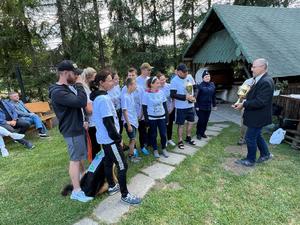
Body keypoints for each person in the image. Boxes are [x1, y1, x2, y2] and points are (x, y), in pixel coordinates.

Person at [90, 69, 141, 205]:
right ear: (101, 83)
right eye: (110, 80)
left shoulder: (98, 97)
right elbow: (108, 122)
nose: (113, 82)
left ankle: (112, 186)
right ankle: (125, 195)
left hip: (104, 138)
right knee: (122, 165)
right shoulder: (103, 99)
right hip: (110, 139)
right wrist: (118, 140)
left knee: (108, 162)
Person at [49, 60, 93, 203]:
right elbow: (80, 102)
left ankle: (82, 176)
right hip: (71, 129)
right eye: (74, 74)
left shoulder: (67, 88)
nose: (76, 76)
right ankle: (76, 191)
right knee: (74, 159)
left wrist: (83, 120)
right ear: (66, 73)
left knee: (78, 156)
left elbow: (76, 107)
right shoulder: (58, 92)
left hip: (77, 126)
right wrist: (80, 84)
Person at [233, 58, 274, 167]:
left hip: (258, 116)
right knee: (258, 135)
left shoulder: (266, 81)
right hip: (256, 115)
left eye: (254, 67)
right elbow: (254, 96)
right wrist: (242, 100)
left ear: (262, 67)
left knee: (250, 137)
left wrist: (244, 104)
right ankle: (266, 154)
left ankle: (250, 160)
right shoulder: (258, 79)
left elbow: (260, 102)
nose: (252, 69)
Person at [122, 68, 150, 156]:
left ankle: (143, 146)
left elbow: (142, 103)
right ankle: (133, 150)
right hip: (130, 117)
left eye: (133, 75)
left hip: (139, 115)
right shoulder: (124, 89)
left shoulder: (140, 89)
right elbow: (124, 107)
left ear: (136, 76)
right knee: (132, 135)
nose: (131, 76)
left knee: (142, 131)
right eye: (129, 75)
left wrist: (141, 115)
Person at [170, 63, 196, 149]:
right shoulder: (174, 80)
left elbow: (195, 88)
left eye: (187, 72)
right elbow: (173, 95)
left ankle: (188, 137)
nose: (186, 74)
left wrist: (194, 96)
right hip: (181, 107)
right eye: (184, 72)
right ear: (179, 72)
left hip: (190, 105)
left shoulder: (189, 77)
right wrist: (185, 97)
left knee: (191, 122)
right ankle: (180, 140)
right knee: (181, 124)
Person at [142, 76, 169, 158]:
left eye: (159, 82)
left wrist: (167, 116)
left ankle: (164, 148)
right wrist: (146, 119)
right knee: (153, 135)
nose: (159, 84)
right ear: (151, 84)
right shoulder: (146, 94)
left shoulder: (161, 92)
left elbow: (164, 105)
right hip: (152, 118)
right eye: (157, 83)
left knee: (163, 134)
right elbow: (144, 107)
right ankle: (155, 149)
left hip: (162, 117)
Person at [81, 67, 101, 159]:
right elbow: (88, 108)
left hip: (94, 120)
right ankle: (95, 167)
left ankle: (99, 165)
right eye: (94, 77)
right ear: (89, 77)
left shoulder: (89, 87)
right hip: (91, 121)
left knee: (97, 144)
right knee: (94, 146)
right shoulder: (84, 88)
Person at [121, 78, 140, 163]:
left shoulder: (131, 95)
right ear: (130, 85)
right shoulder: (125, 97)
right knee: (133, 139)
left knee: (133, 139)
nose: (136, 86)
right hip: (129, 122)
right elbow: (124, 111)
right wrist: (128, 124)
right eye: (134, 84)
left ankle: (131, 154)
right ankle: (131, 156)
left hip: (134, 120)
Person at [195, 70, 216, 140]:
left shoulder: (212, 85)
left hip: (208, 107)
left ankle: (202, 132)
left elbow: (214, 96)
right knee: (201, 120)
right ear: (203, 78)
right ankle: (198, 133)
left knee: (206, 120)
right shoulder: (200, 86)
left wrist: (214, 105)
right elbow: (196, 97)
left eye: (208, 76)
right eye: (206, 76)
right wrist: (196, 105)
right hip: (200, 107)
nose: (207, 77)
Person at [157, 72, 176, 147]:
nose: (163, 81)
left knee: (170, 125)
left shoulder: (169, 86)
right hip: (161, 111)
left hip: (170, 109)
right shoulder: (156, 88)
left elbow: (174, 98)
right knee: (163, 126)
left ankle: (169, 139)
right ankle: (164, 140)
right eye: (161, 80)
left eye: (164, 79)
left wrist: (172, 108)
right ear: (158, 80)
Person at [237, 77, 255, 145]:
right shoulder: (248, 81)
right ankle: (242, 138)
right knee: (244, 123)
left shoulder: (262, 81)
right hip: (246, 105)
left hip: (257, 106)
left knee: (254, 124)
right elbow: (241, 94)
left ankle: (251, 138)